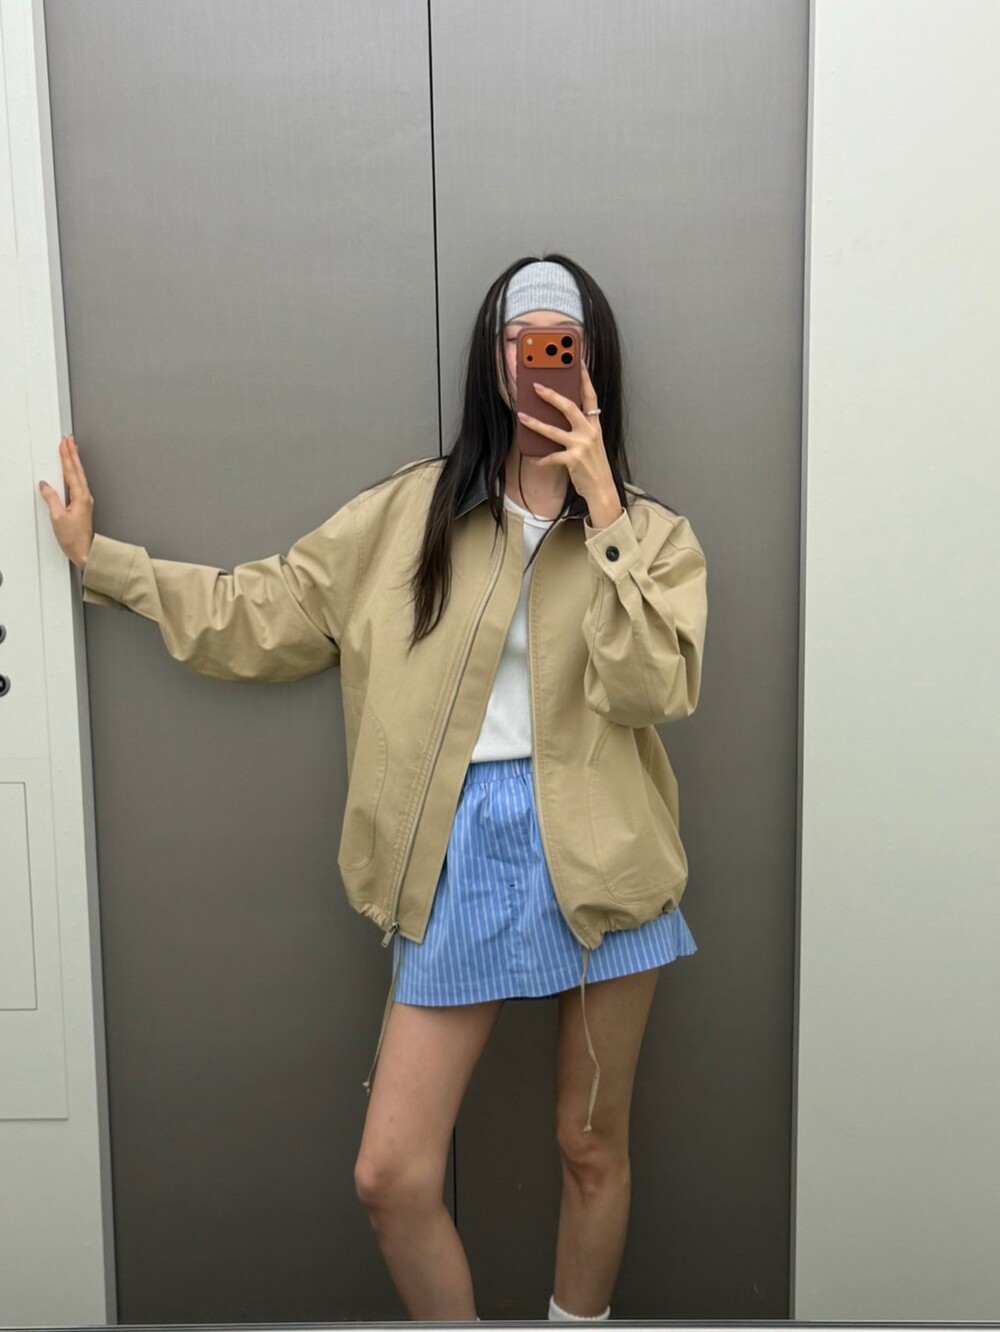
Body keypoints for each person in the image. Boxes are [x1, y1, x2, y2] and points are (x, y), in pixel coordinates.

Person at [38, 254, 708, 1323]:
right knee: (390, 1176)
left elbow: (652, 690)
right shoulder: (409, 514)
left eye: (560, 344)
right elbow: (264, 611)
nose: (537, 363)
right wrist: (102, 563)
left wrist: (605, 511)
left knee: (591, 1148)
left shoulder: (654, 536)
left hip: (606, 855)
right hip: (452, 854)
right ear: (492, 361)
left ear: (593, 364)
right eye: (519, 342)